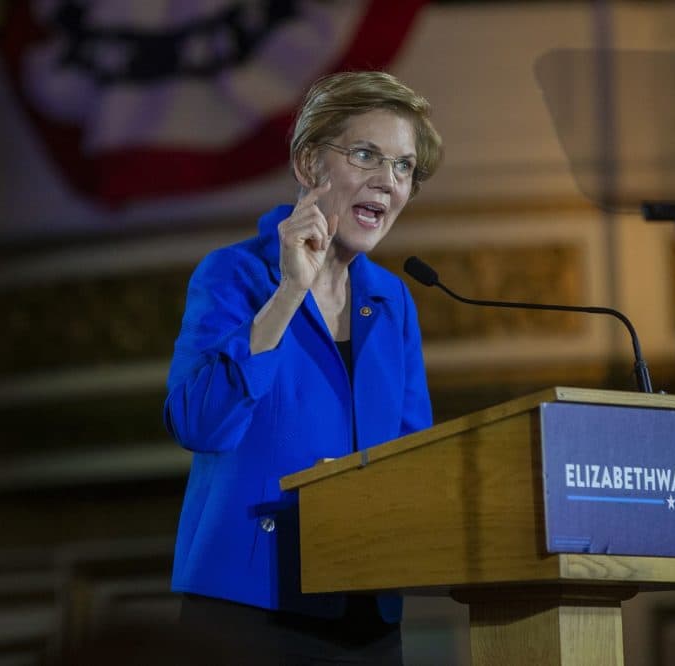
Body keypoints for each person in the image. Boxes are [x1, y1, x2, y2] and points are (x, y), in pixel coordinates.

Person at [163, 70, 442, 665]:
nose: (387, 183)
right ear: (311, 164)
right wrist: (290, 291)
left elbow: (415, 458)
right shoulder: (235, 275)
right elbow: (200, 425)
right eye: (366, 155)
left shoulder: (393, 302)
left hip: (365, 614)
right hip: (248, 611)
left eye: (403, 167)